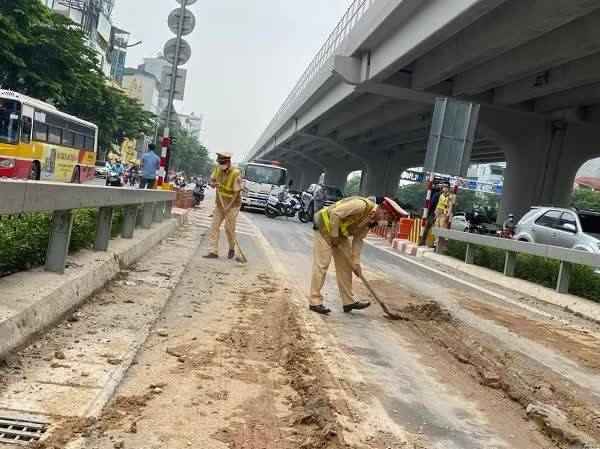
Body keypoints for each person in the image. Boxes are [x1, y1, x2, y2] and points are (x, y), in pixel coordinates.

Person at [309, 196, 407, 315]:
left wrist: (356, 263)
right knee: (322, 265)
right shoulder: (361, 205)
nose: (384, 222)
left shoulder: (371, 221)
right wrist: (334, 236)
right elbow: (335, 214)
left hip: (340, 236)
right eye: (387, 219)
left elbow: (358, 239)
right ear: (384, 212)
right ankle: (314, 302)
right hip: (324, 228)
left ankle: (349, 301)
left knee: (346, 267)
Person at [204, 152, 243, 259]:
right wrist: (212, 184)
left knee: (228, 228)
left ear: (228, 161)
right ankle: (213, 251)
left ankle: (232, 248)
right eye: (220, 162)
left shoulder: (236, 173)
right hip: (220, 203)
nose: (221, 165)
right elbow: (211, 180)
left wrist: (229, 206)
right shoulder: (218, 169)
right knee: (214, 226)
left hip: (233, 205)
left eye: (223, 162)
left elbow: (237, 192)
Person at [433, 181, 455, 247]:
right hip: (438, 214)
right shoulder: (441, 195)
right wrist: (435, 213)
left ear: (448, 188)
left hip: (444, 214)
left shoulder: (450, 196)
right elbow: (438, 204)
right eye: (443, 186)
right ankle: (436, 242)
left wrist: (448, 215)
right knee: (436, 228)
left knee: (442, 229)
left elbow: (451, 206)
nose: (444, 188)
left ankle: (440, 244)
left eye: (446, 187)